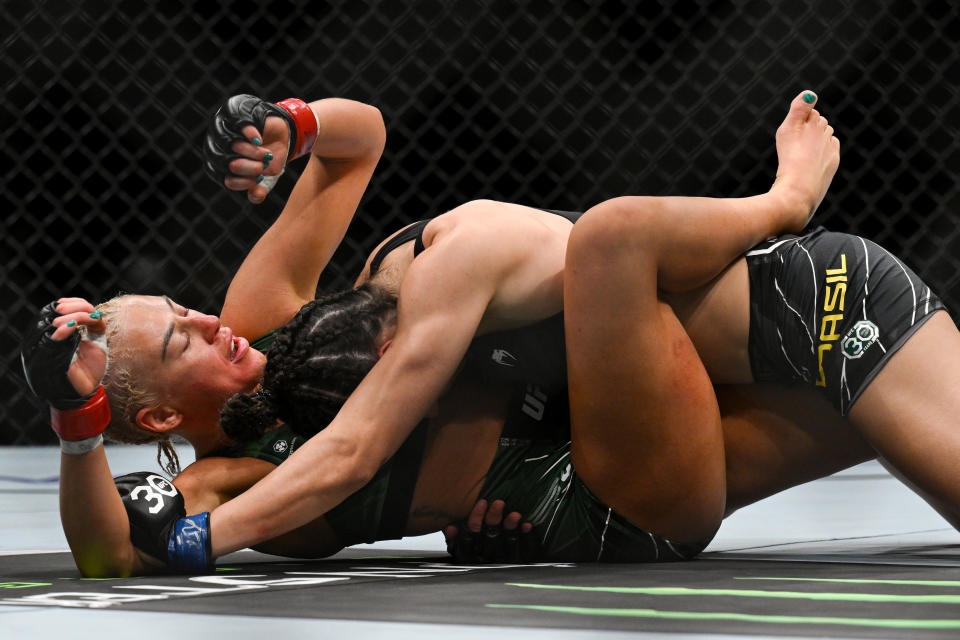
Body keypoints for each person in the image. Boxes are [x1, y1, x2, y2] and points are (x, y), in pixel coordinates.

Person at [17, 91, 915, 575]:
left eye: (184, 309)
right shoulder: (232, 480)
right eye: (182, 343)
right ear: (166, 421)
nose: (210, 321)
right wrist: (78, 418)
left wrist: (294, 123)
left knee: (873, 404)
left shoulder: (258, 322)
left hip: (590, 422)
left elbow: (360, 142)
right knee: (619, 257)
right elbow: (108, 551)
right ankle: (782, 207)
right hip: (596, 499)